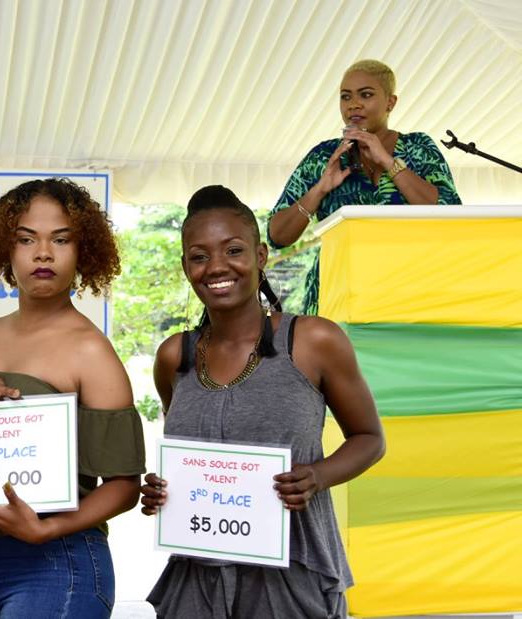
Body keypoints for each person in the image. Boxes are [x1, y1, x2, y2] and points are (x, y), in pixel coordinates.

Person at [141, 186, 385, 618]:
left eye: (233, 250)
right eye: (199, 256)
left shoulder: (312, 341)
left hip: (291, 576)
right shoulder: (174, 356)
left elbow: (370, 439)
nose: (217, 266)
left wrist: (317, 476)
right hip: (197, 581)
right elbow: (190, 455)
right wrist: (167, 489)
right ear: (185, 267)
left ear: (260, 256)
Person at [0, 178, 146, 618]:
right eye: (26, 239)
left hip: (59, 564)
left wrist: (47, 530)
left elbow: (124, 486)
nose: (43, 253)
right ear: (6, 249)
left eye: (61, 239)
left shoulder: (90, 350)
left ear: (83, 251)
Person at [267, 59, 461, 315]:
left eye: (366, 95)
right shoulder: (323, 156)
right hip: (336, 301)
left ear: (390, 102)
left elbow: (451, 215)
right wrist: (320, 189)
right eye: (345, 97)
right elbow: (277, 236)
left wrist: (388, 162)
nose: (353, 104)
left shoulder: (417, 148)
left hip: (408, 299)